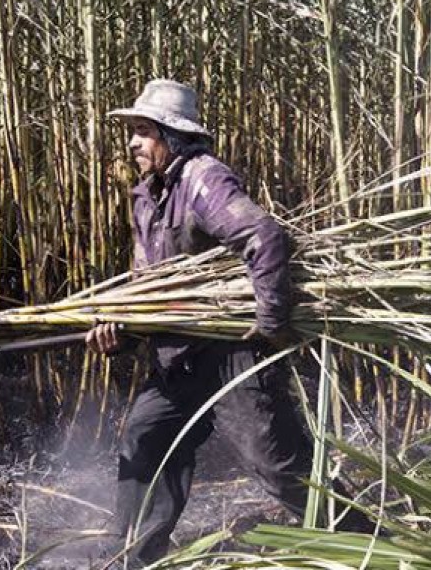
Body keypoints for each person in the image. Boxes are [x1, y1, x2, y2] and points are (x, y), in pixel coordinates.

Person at [86, 79, 314, 566]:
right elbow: (148, 288)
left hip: (230, 353)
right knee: (145, 437)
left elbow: (264, 236)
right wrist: (119, 331)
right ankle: (135, 559)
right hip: (180, 358)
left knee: (276, 465)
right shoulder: (148, 196)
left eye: (143, 131)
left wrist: (272, 320)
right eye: (134, 132)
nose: (132, 142)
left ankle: (366, 541)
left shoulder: (202, 178)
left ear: (173, 135)